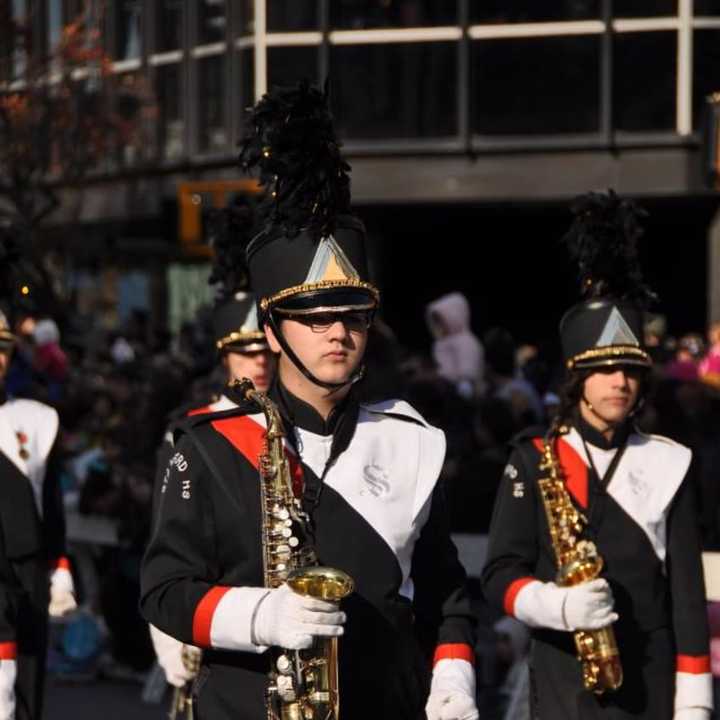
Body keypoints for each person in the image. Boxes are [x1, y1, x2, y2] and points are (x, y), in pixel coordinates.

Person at [141, 81, 477, 720]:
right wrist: (261, 614)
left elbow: (445, 590)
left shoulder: (410, 438)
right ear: (272, 331)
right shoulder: (209, 445)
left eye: (353, 314)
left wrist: (452, 677)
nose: (337, 332)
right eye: (312, 316)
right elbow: (164, 590)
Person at [482, 191, 712, 720]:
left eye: (631, 370)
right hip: (563, 676)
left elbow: (686, 594)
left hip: (650, 680)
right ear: (578, 377)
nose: (620, 382)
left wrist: (695, 700)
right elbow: (499, 573)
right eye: (606, 369)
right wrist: (556, 605)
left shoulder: (668, 461)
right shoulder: (534, 455)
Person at [148, 200, 275, 692]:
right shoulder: (193, 432)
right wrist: (168, 634)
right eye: (245, 351)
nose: (258, 362)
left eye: (265, 350)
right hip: (214, 626)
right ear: (225, 356)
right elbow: (168, 537)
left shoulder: (298, 426)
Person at [0, 308, 75, 720]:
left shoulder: (37, 419)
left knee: (25, 696)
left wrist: (59, 566)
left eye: (2, 348)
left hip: (25, 573)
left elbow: (50, 505)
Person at [426, 291, 485, 399]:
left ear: (454, 316)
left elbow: (467, 373)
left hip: (460, 395)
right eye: (436, 321)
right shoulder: (441, 343)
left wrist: (464, 389)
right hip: (445, 394)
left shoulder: (466, 342)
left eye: (441, 320)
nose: (439, 325)